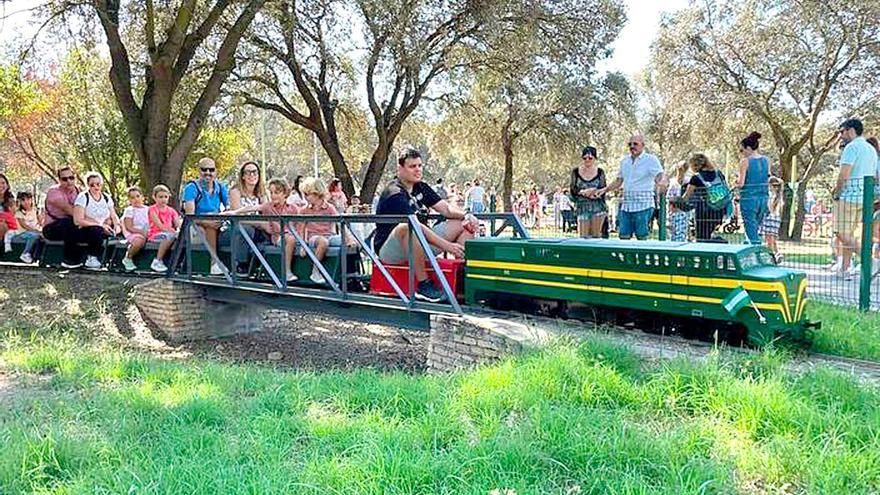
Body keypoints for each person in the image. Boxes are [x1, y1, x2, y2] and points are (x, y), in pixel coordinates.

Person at [374, 149, 477, 302]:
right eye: (412, 166)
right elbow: (414, 225)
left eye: (420, 165)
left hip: (419, 241)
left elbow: (447, 209)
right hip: (391, 250)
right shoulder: (394, 193)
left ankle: (463, 277)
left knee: (462, 224)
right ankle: (423, 285)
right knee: (407, 227)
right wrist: (447, 245)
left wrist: (467, 215)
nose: (418, 170)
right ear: (400, 168)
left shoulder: (421, 187)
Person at [226, 178, 300, 282]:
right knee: (291, 239)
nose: (273, 195)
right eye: (271, 192)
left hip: (294, 236)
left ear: (285, 193)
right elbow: (251, 208)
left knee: (300, 240)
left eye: (277, 192)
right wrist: (234, 212)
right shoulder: (268, 207)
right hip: (279, 237)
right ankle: (287, 271)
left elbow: (300, 222)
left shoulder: (293, 208)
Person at [598, 134, 667, 240]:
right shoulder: (624, 161)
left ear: (643, 145)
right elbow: (619, 180)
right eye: (630, 144)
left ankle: (641, 257)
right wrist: (605, 189)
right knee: (623, 236)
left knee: (641, 237)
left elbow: (659, 175)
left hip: (644, 205)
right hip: (626, 206)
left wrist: (662, 181)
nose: (632, 146)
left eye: (635, 144)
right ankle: (626, 257)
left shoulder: (651, 159)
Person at [832, 118, 877, 278]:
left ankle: (870, 261)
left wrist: (837, 193)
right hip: (864, 197)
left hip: (849, 196)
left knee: (839, 232)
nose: (841, 135)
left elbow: (844, 174)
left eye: (842, 131)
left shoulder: (851, 147)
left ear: (850, 130)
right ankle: (845, 270)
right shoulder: (870, 149)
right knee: (850, 234)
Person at [182, 157, 229, 275]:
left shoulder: (221, 187)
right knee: (210, 225)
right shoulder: (191, 188)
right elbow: (190, 216)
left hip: (217, 222)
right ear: (199, 171)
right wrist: (206, 221)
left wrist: (221, 217)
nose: (208, 173)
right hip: (195, 225)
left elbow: (229, 207)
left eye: (211, 170)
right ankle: (214, 263)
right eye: (204, 169)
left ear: (216, 171)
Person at [72, 171, 123, 270]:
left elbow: (113, 215)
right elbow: (78, 220)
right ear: (88, 185)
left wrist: (117, 225)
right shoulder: (83, 197)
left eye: (98, 184)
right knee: (96, 230)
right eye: (92, 185)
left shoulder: (106, 197)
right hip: (86, 229)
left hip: (105, 227)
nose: (96, 187)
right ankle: (92, 258)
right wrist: (100, 225)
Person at [229, 161, 269, 274]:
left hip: (258, 227)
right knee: (245, 229)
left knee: (272, 229)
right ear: (243, 176)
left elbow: (266, 212)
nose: (252, 175)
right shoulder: (235, 191)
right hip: (237, 227)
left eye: (255, 172)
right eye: (248, 172)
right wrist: (259, 224)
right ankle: (240, 265)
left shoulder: (262, 193)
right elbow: (239, 215)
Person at [298, 177, 341, 284]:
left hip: (329, 235)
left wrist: (350, 240)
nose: (306, 197)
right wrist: (303, 245)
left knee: (346, 241)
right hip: (313, 237)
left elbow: (339, 223)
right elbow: (301, 228)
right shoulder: (305, 210)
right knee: (323, 242)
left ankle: (350, 273)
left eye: (308, 194)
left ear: (317, 193)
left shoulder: (330, 208)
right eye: (304, 194)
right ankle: (315, 271)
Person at [678, 154, 729, 242]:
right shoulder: (718, 174)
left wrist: (677, 202)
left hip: (703, 212)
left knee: (701, 238)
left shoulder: (696, 178)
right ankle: (717, 245)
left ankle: (720, 243)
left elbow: (687, 195)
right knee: (708, 235)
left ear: (695, 166)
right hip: (719, 210)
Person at [42, 166, 82, 268]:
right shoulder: (54, 192)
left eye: (71, 178)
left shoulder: (79, 191)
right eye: (64, 179)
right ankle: (69, 259)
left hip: (73, 223)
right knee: (69, 222)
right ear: (59, 180)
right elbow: (72, 212)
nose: (69, 181)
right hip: (52, 228)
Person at [736, 131, 770, 245]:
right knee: (755, 228)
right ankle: (748, 255)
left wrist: (736, 181)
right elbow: (767, 177)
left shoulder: (745, 161)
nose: (742, 153)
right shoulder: (766, 160)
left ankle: (758, 254)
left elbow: (741, 183)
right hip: (763, 198)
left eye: (742, 150)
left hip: (749, 199)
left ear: (749, 148)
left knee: (751, 231)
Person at [570, 146, 607, 238]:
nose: (587, 160)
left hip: (597, 207)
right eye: (585, 158)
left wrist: (594, 193)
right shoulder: (576, 172)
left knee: (596, 237)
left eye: (590, 158)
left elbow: (603, 189)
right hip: (582, 207)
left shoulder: (600, 172)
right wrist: (582, 192)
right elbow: (572, 189)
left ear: (595, 158)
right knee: (583, 237)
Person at [147, 185, 182, 272]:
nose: (163, 199)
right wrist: (173, 232)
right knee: (169, 236)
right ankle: (157, 260)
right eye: (160, 197)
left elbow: (178, 224)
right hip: (155, 234)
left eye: (165, 197)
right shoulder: (152, 210)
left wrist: (179, 231)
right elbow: (159, 225)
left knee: (179, 237)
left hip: (169, 233)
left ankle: (179, 264)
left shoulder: (172, 211)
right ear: (154, 197)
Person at [121, 186, 150, 271]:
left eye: (138, 196)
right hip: (134, 232)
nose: (136, 199)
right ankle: (128, 257)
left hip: (147, 231)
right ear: (129, 200)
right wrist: (142, 232)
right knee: (138, 241)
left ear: (142, 197)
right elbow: (129, 227)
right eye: (132, 197)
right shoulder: (130, 210)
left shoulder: (148, 209)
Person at [12, 191, 42, 263]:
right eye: (23, 200)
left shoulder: (35, 210)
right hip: (21, 234)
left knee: (40, 237)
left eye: (28, 199)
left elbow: (40, 222)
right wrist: (36, 231)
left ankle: (38, 256)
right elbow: (24, 226)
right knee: (34, 235)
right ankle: (25, 253)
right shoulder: (19, 213)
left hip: (34, 232)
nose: (26, 202)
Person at [759, 177, 784, 263]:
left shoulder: (770, 195)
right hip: (776, 219)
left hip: (769, 218)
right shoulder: (779, 196)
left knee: (769, 240)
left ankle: (771, 257)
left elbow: (769, 208)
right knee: (772, 239)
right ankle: (777, 254)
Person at [667, 161, 690, 242]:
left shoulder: (688, 181)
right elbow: (669, 197)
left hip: (683, 210)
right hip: (673, 210)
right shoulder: (672, 182)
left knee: (682, 232)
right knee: (672, 232)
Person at [0, 174, 17, 254]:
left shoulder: (10, 200)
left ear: (7, 185)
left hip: (7, 226)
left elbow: (12, 216)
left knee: (2, 225)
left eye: (3, 183)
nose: (1, 185)